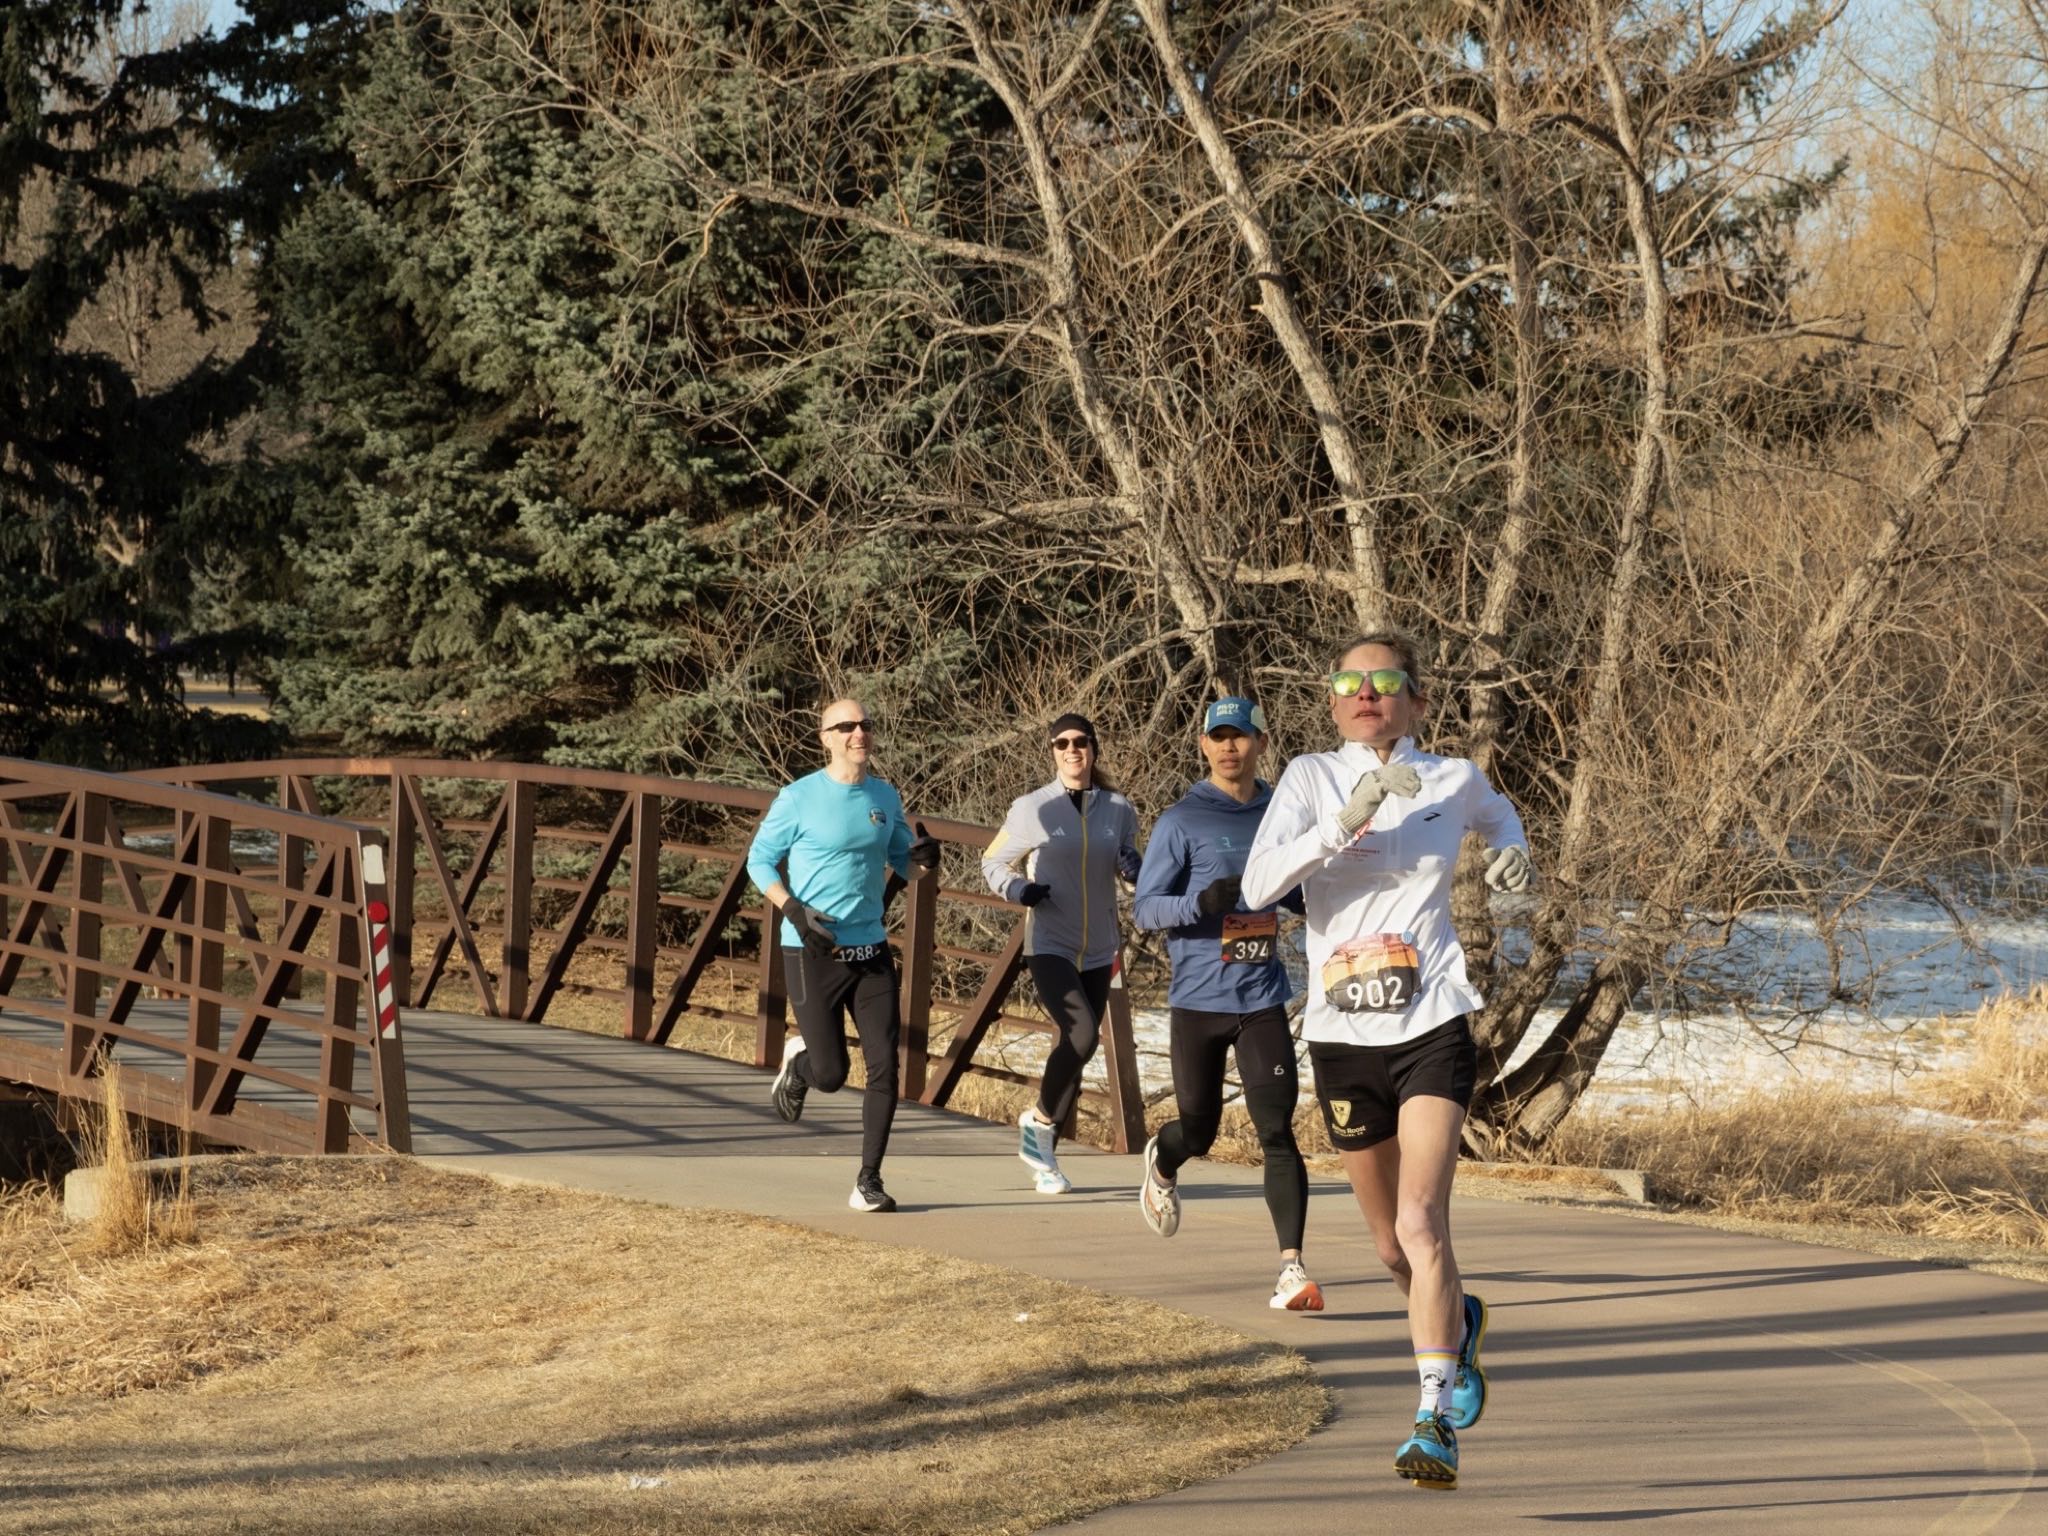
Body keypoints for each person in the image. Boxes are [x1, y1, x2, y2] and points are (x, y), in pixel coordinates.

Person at [1241, 634, 1533, 1493]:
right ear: (1332, 702)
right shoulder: (1306, 777)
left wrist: (1515, 851)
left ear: (1415, 699)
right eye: (1349, 683)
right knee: (1389, 1252)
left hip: (1433, 1021)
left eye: (1385, 682)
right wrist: (1348, 815)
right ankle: (1458, 1319)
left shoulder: (1451, 777)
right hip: (1342, 1033)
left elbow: (1500, 814)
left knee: (1421, 1223)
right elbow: (1259, 887)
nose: (1367, 694)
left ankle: (1433, 1420)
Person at [1132, 696, 1320, 1311]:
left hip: (1261, 995)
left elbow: (1297, 890)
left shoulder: (1281, 813)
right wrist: (1199, 903)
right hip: (1198, 1001)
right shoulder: (1181, 820)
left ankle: (1291, 1270)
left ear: (1262, 744)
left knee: (1276, 1129)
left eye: (1241, 736)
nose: (1229, 747)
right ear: (1204, 747)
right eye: (1219, 737)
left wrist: (1315, 903)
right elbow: (1145, 908)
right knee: (1200, 1129)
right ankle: (1164, 1158)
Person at [747, 698, 941, 1213]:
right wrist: (792, 910)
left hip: (870, 948)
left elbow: (905, 859)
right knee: (832, 1075)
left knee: (885, 1069)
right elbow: (759, 860)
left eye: (865, 725)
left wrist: (924, 860)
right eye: (846, 727)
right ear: (826, 738)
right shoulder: (798, 797)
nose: (859, 733)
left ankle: (868, 1181)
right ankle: (802, 1060)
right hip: (812, 949)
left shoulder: (883, 795)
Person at [980, 712, 1143, 1194]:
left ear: (1094, 748)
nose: (1072, 751)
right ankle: (1039, 1127)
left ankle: (1042, 1143)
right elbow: (993, 859)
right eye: (1062, 744)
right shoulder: (1032, 808)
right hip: (1049, 943)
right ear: (1052, 752)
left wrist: (1136, 869)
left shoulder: (1119, 808)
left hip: (1099, 948)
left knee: (1077, 1048)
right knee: (1082, 1032)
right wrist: (1017, 888)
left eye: (1081, 742)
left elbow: (1131, 870)